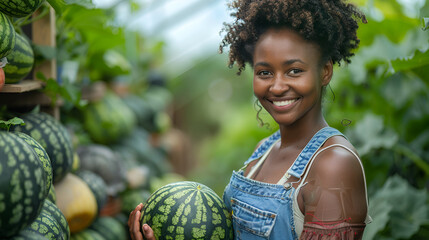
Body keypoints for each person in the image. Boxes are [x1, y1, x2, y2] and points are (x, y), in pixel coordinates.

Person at [128, 0, 372, 239]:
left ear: (325, 71)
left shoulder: (333, 165)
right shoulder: (263, 151)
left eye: (294, 70)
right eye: (264, 72)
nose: (277, 87)